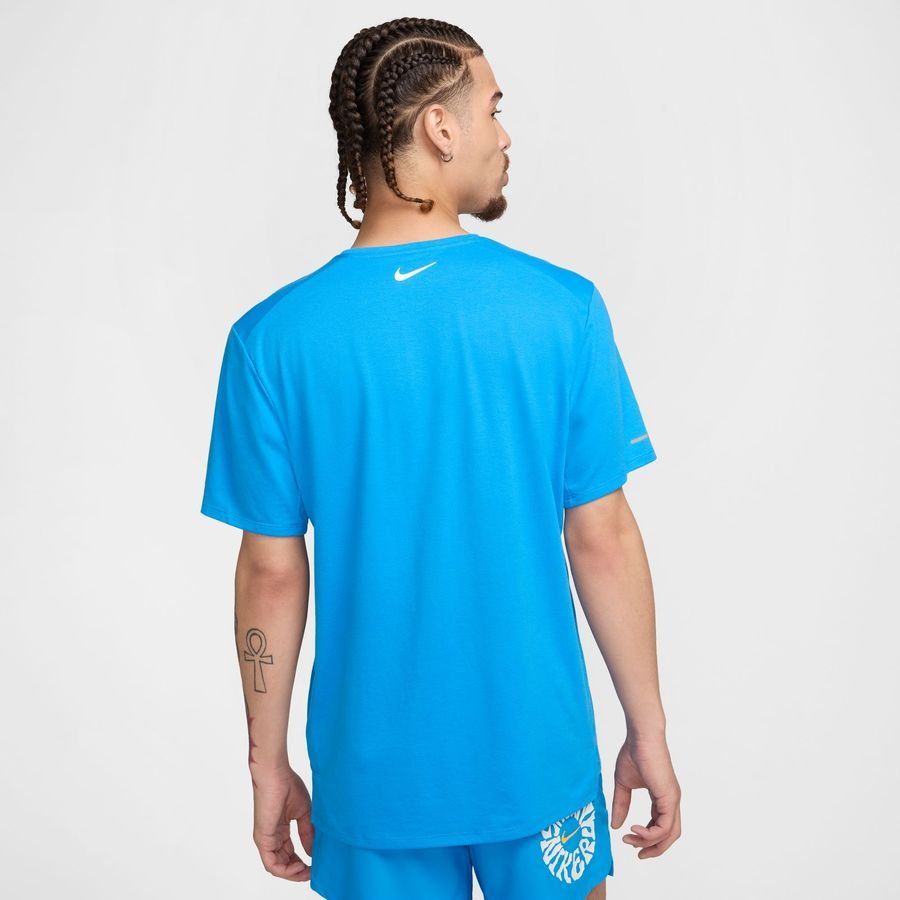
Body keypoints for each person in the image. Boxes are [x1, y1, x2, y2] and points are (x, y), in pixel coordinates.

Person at [200, 16, 681, 900]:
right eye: (493, 108)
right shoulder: (561, 310)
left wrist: (266, 765)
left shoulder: (270, 341)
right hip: (538, 764)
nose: (505, 135)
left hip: (371, 782)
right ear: (439, 128)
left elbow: (271, 570)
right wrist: (647, 730)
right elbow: (601, 536)